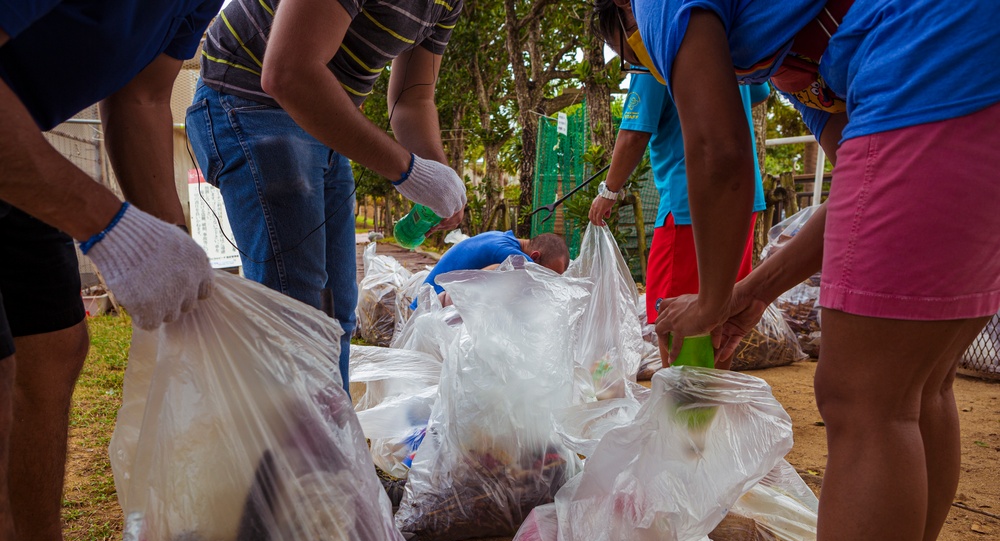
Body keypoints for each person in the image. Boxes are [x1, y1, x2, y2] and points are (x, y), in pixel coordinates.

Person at [593, 0, 1000, 541]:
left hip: (940, 61)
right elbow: (859, 190)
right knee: (919, 382)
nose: (659, 66)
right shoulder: (800, 58)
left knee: (863, 397)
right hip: (970, 67)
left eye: (640, 55)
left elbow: (720, 154)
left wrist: (714, 298)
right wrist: (750, 293)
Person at [0, 1, 220, 541]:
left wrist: (169, 245)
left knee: (54, 342)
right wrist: (107, 224)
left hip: (19, 132)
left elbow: (147, 96)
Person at [187, 0, 468, 392]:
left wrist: (439, 177)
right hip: (250, 98)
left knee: (336, 312)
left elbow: (411, 100)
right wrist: (409, 170)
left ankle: (328, 445)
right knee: (296, 315)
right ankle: (286, 449)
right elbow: (289, 73)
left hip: (323, 118)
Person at [587, 66, 768, 368]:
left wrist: (610, 190)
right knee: (723, 313)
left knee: (673, 317)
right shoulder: (729, 41)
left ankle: (680, 412)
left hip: (691, 201)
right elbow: (758, 93)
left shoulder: (653, 53)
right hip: (745, 197)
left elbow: (634, 133)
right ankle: (709, 407)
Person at [414, 231, 570, 307]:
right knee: (506, 276)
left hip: (428, 304)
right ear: (535, 257)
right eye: (545, 274)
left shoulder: (501, 237)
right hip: (427, 309)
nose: (545, 279)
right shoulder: (511, 256)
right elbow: (535, 287)